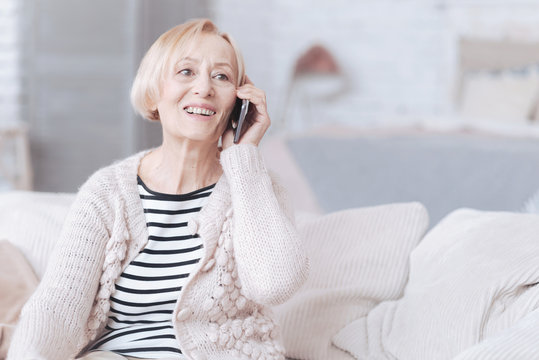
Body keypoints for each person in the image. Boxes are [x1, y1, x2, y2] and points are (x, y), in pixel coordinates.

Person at [7, 18, 309, 360]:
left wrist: (244, 157)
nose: (204, 88)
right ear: (154, 90)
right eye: (186, 72)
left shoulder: (257, 186)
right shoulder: (107, 193)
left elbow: (275, 284)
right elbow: (56, 309)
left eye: (222, 76)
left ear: (238, 103)